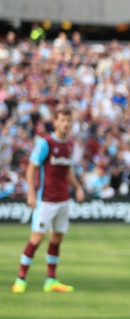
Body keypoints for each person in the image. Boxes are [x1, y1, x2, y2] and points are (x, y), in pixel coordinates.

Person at [12, 107, 86, 294]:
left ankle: (51, 281)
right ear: (55, 122)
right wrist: (30, 193)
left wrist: (77, 187)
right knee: (36, 238)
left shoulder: (68, 144)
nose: (65, 124)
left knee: (56, 239)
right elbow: (31, 168)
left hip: (63, 199)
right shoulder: (45, 142)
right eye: (62, 120)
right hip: (46, 200)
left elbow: (67, 169)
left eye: (68, 120)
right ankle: (20, 280)